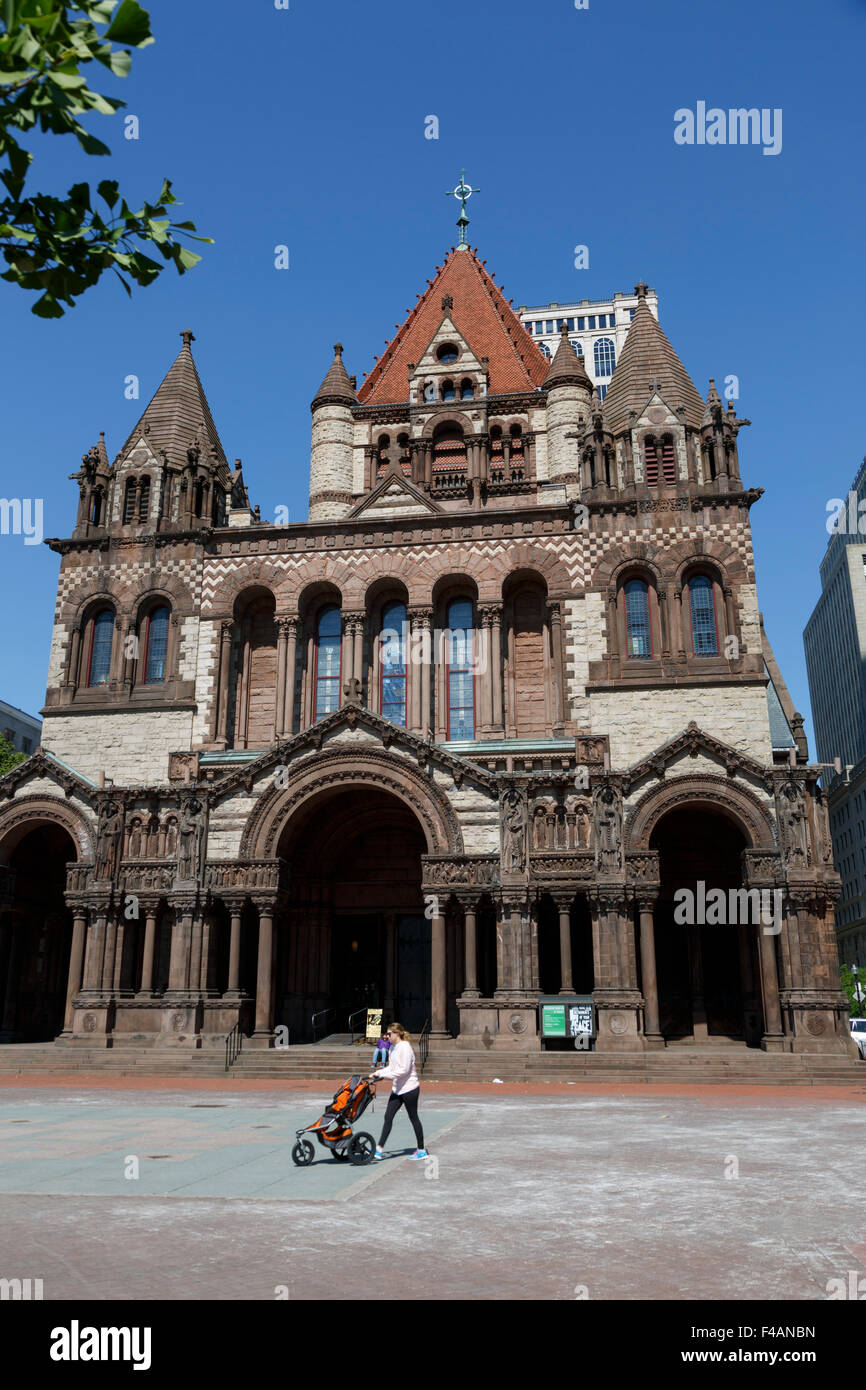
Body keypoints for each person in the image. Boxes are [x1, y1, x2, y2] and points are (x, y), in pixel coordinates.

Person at [368, 1023, 427, 1161]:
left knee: (413, 1118)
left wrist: (384, 1077)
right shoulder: (392, 1047)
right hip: (397, 1089)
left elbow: (403, 1070)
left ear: (397, 1033)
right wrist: (378, 1073)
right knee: (388, 1117)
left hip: (410, 1089)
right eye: (386, 1034)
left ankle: (421, 1150)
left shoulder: (405, 1047)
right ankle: (379, 1149)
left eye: (389, 1034)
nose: (387, 1036)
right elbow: (392, 1067)